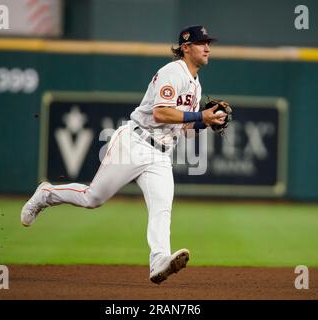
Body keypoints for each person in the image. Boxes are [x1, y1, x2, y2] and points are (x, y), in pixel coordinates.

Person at [21, 25, 227, 284]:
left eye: (209, 43)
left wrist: (205, 122)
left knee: (162, 210)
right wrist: (200, 115)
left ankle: (159, 260)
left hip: (161, 155)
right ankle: (46, 194)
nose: (207, 47)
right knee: (92, 198)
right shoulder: (172, 72)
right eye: (201, 43)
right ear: (185, 47)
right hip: (134, 143)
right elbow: (160, 113)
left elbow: (183, 129)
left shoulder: (195, 84)